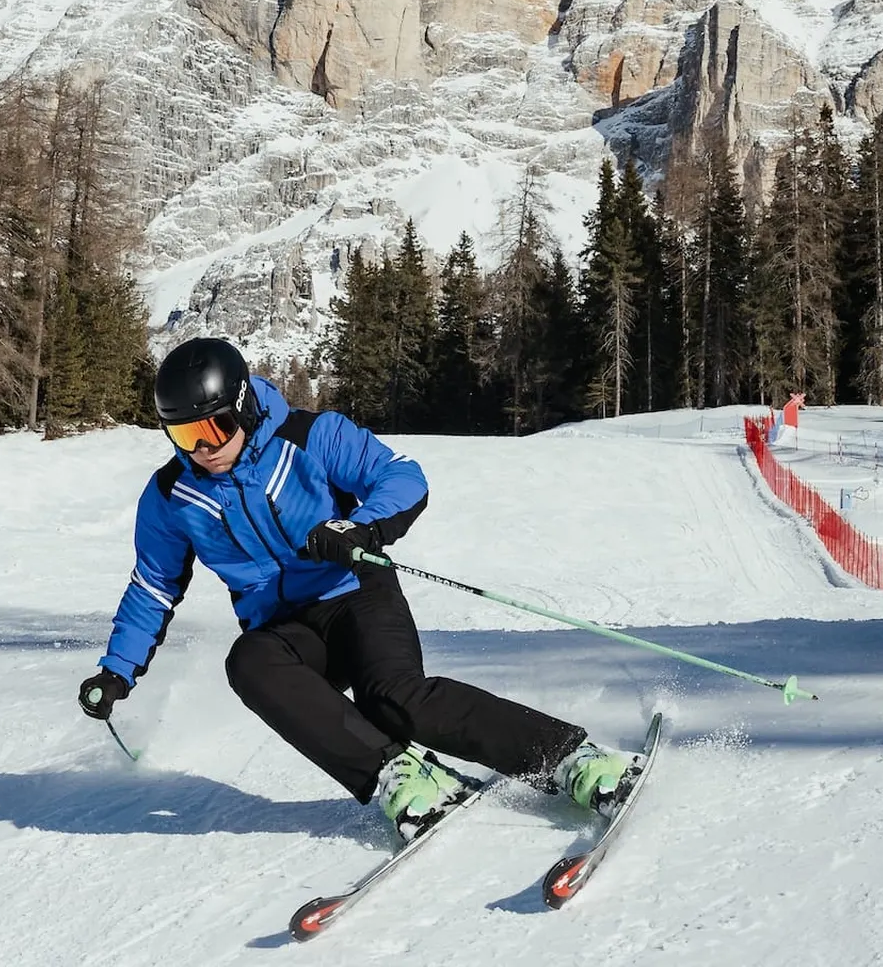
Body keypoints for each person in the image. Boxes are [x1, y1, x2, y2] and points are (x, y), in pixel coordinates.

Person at [74, 338, 639, 841]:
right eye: (184, 435)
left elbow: (401, 476)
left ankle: (574, 759)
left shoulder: (310, 436)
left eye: (213, 429)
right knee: (250, 663)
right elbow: (153, 586)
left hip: (356, 591)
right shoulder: (172, 495)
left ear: (243, 404)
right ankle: (399, 777)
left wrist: (360, 526)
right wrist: (116, 670)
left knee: (395, 700)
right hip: (286, 627)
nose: (203, 449)